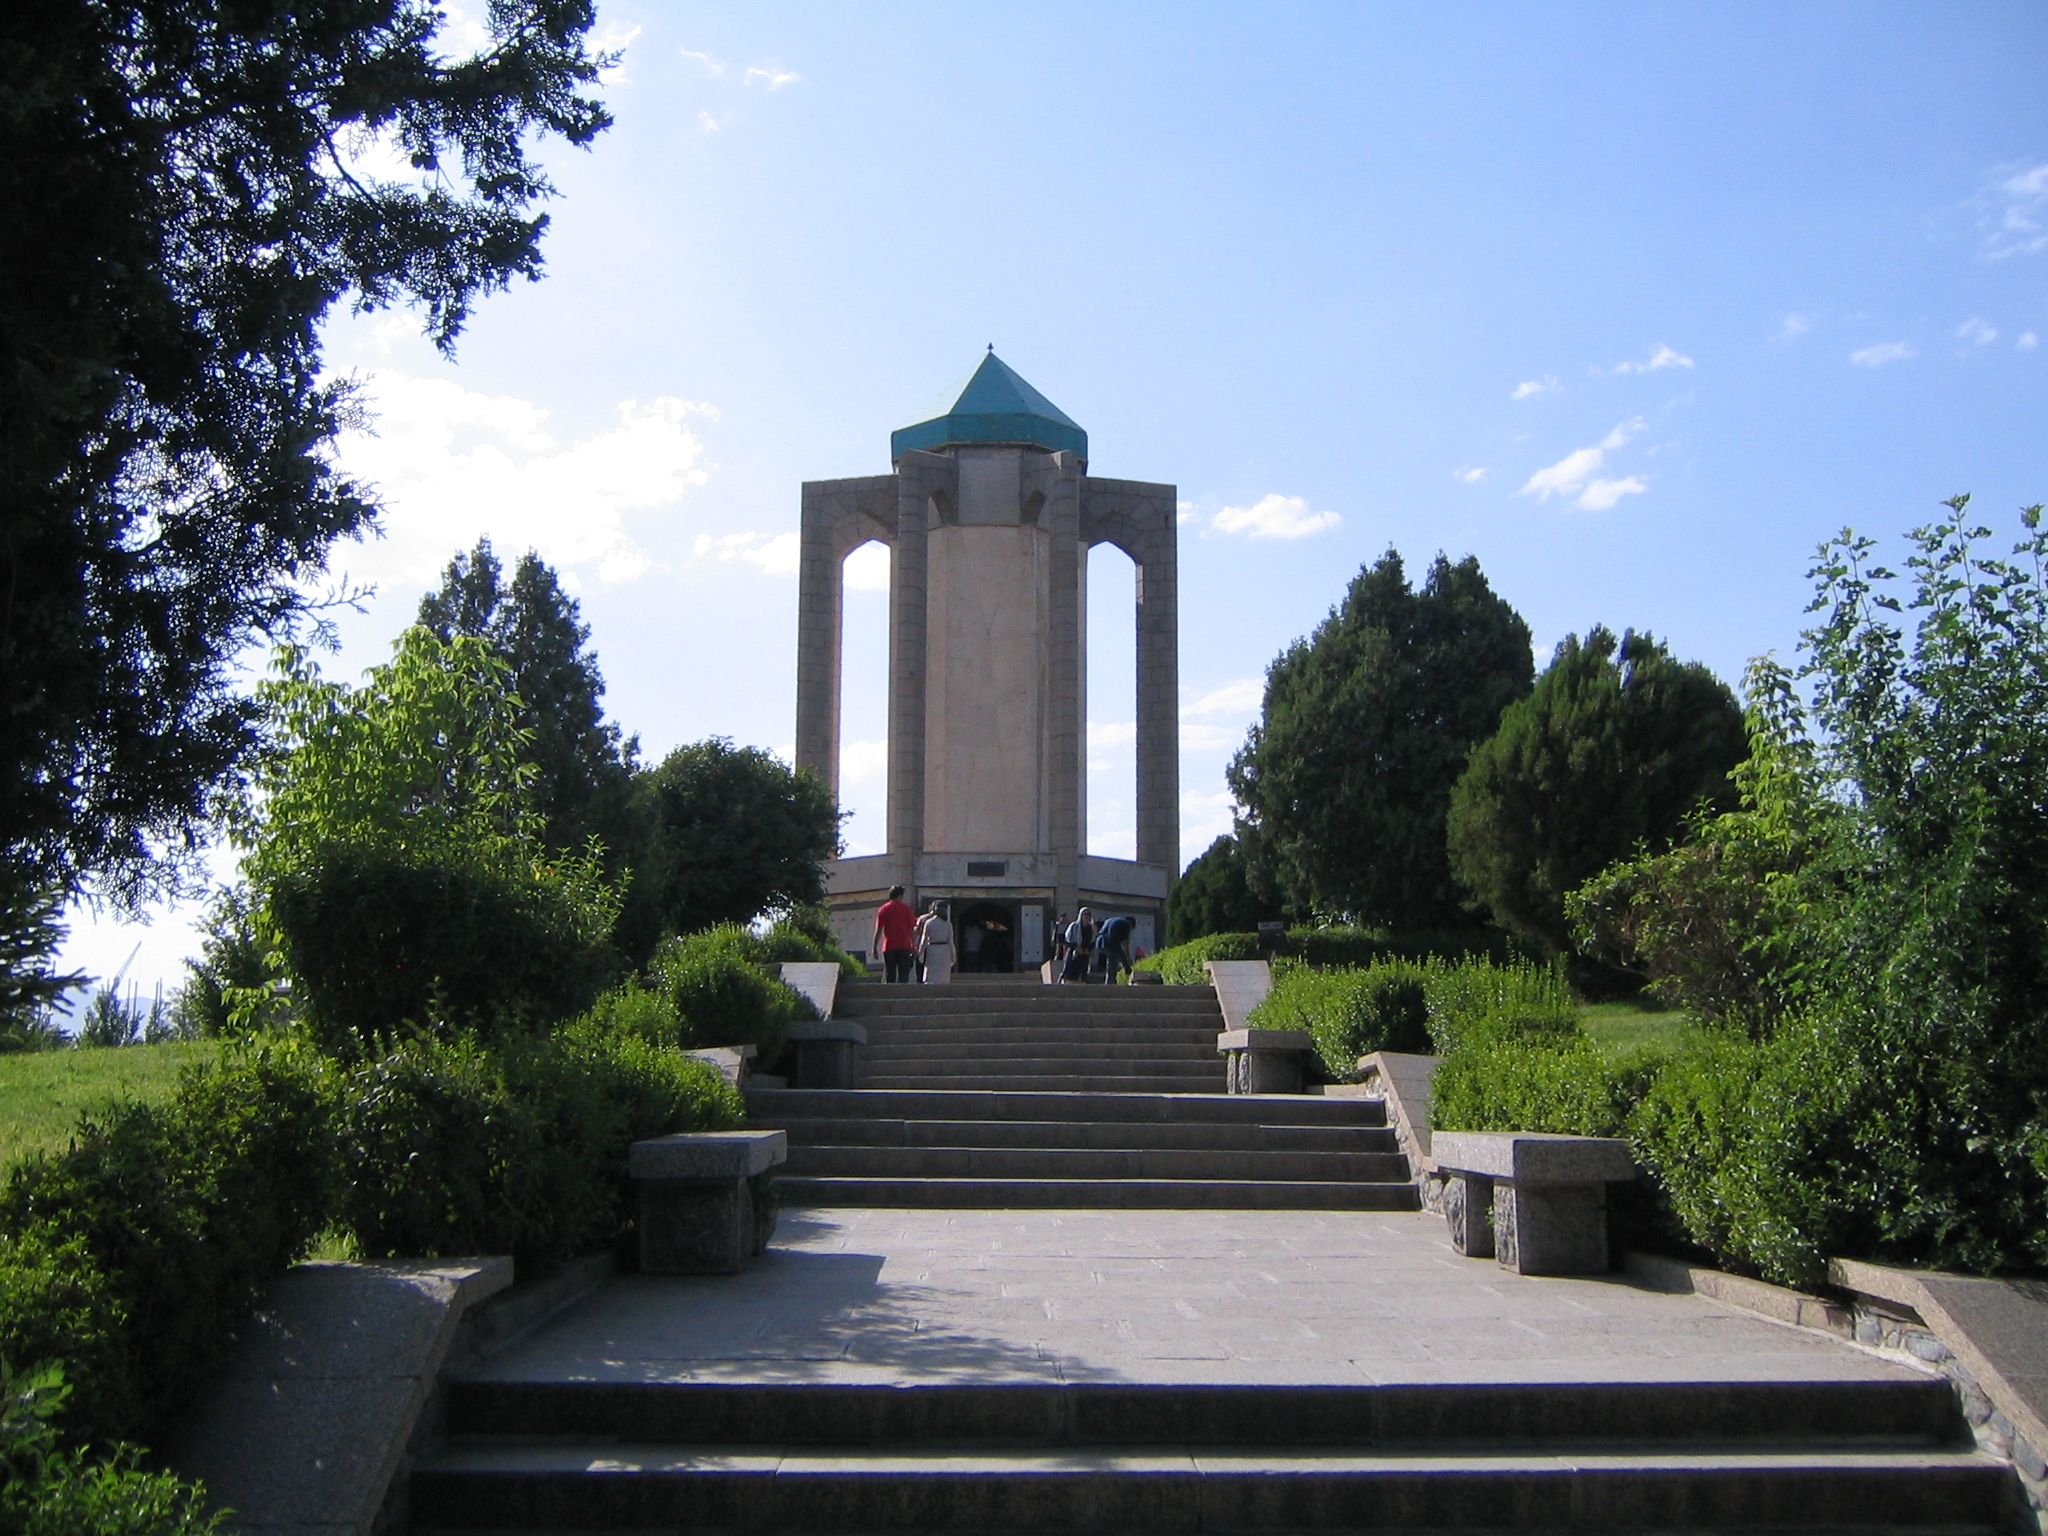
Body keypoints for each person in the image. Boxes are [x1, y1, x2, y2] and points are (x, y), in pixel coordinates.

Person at [873, 885, 918, 983]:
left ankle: (890, 993)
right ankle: (901, 993)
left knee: (890, 973)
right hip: (904, 945)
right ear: (900, 895)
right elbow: (911, 929)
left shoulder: (883, 909)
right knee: (904, 973)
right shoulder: (907, 909)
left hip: (889, 946)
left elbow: (879, 930)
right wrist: (914, 945)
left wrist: (875, 947)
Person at [1092, 913, 1135, 985]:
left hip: (1099, 942)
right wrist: (1128, 956)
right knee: (1113, 962)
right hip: (1111, 943)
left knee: (1118, 955)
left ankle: (1127, 969)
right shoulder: (1127, 924)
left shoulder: (1111, 920)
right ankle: (1110, 983)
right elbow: (1125, 942)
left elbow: (1094, 924)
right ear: (1132, 925)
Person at [919, 900, 954, 985]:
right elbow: (950, 942)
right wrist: (953, 954)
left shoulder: (929, 923)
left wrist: (920, 952)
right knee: (943, 975)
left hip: (932, 949)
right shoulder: (948, 925)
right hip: (944, 950)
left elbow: (923, 940)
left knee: (931, 973)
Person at [1059, 907, 1095, 983]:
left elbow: (1094, 940)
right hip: (1074, 952)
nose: (1087, 916)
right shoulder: (1074, 926)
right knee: (1070, 974)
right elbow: (1067, 939)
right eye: (1085, 914)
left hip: (1085, 954)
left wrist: (1089, 949)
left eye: (1088, 915)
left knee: (1083, 974)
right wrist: (1076, 947)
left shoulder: (1091, 928)